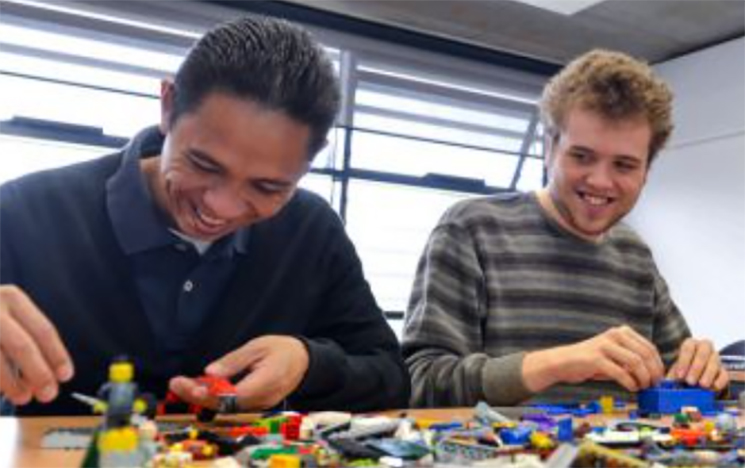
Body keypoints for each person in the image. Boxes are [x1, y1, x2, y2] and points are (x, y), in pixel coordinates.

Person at [0, 16, 409, 415]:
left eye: (267, 187)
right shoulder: (23, 212)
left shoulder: (311, 230)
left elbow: (390, 377)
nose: (222, 207)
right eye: (204, 164)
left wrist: (308, 364)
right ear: (168, 106)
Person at [402, 49, 729, 407]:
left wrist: (705, 374)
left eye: (624, 165)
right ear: (549, 147)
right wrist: (557, 364)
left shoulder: (634, 255)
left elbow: (683, 384)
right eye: (581, 156)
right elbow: (420, 382)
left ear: (646, 171)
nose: (601, 181)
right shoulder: (471, 229)